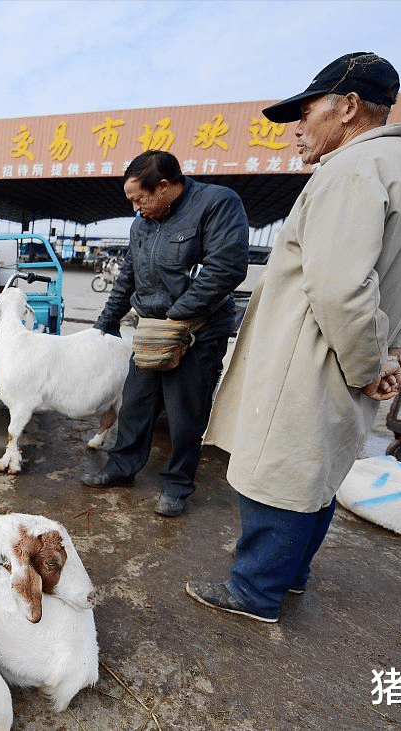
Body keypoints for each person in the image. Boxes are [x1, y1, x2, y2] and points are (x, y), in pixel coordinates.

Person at [190, 52, 401, 622]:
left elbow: (343, 290)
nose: (298, 127)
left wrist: (371, 364)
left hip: (315, 360)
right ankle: (290, 575)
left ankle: (254, 591)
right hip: (354, 357)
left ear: (347, 107)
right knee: (318, 474)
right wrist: (394, 350)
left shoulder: (350, 171)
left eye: (307, 111)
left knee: (281, 475)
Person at [80, 150, 248, 518]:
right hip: (152, 331)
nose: (136, 208)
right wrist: (106, 322)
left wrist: (177, 317)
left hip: (196, 332)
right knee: (136, 401)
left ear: (166, 186)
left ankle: (176, 484)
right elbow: (128, 276)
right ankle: (122, 467)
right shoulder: (141, 225)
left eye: (140, 199)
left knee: (185, 413)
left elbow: (226, 268)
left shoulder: (217, 204)